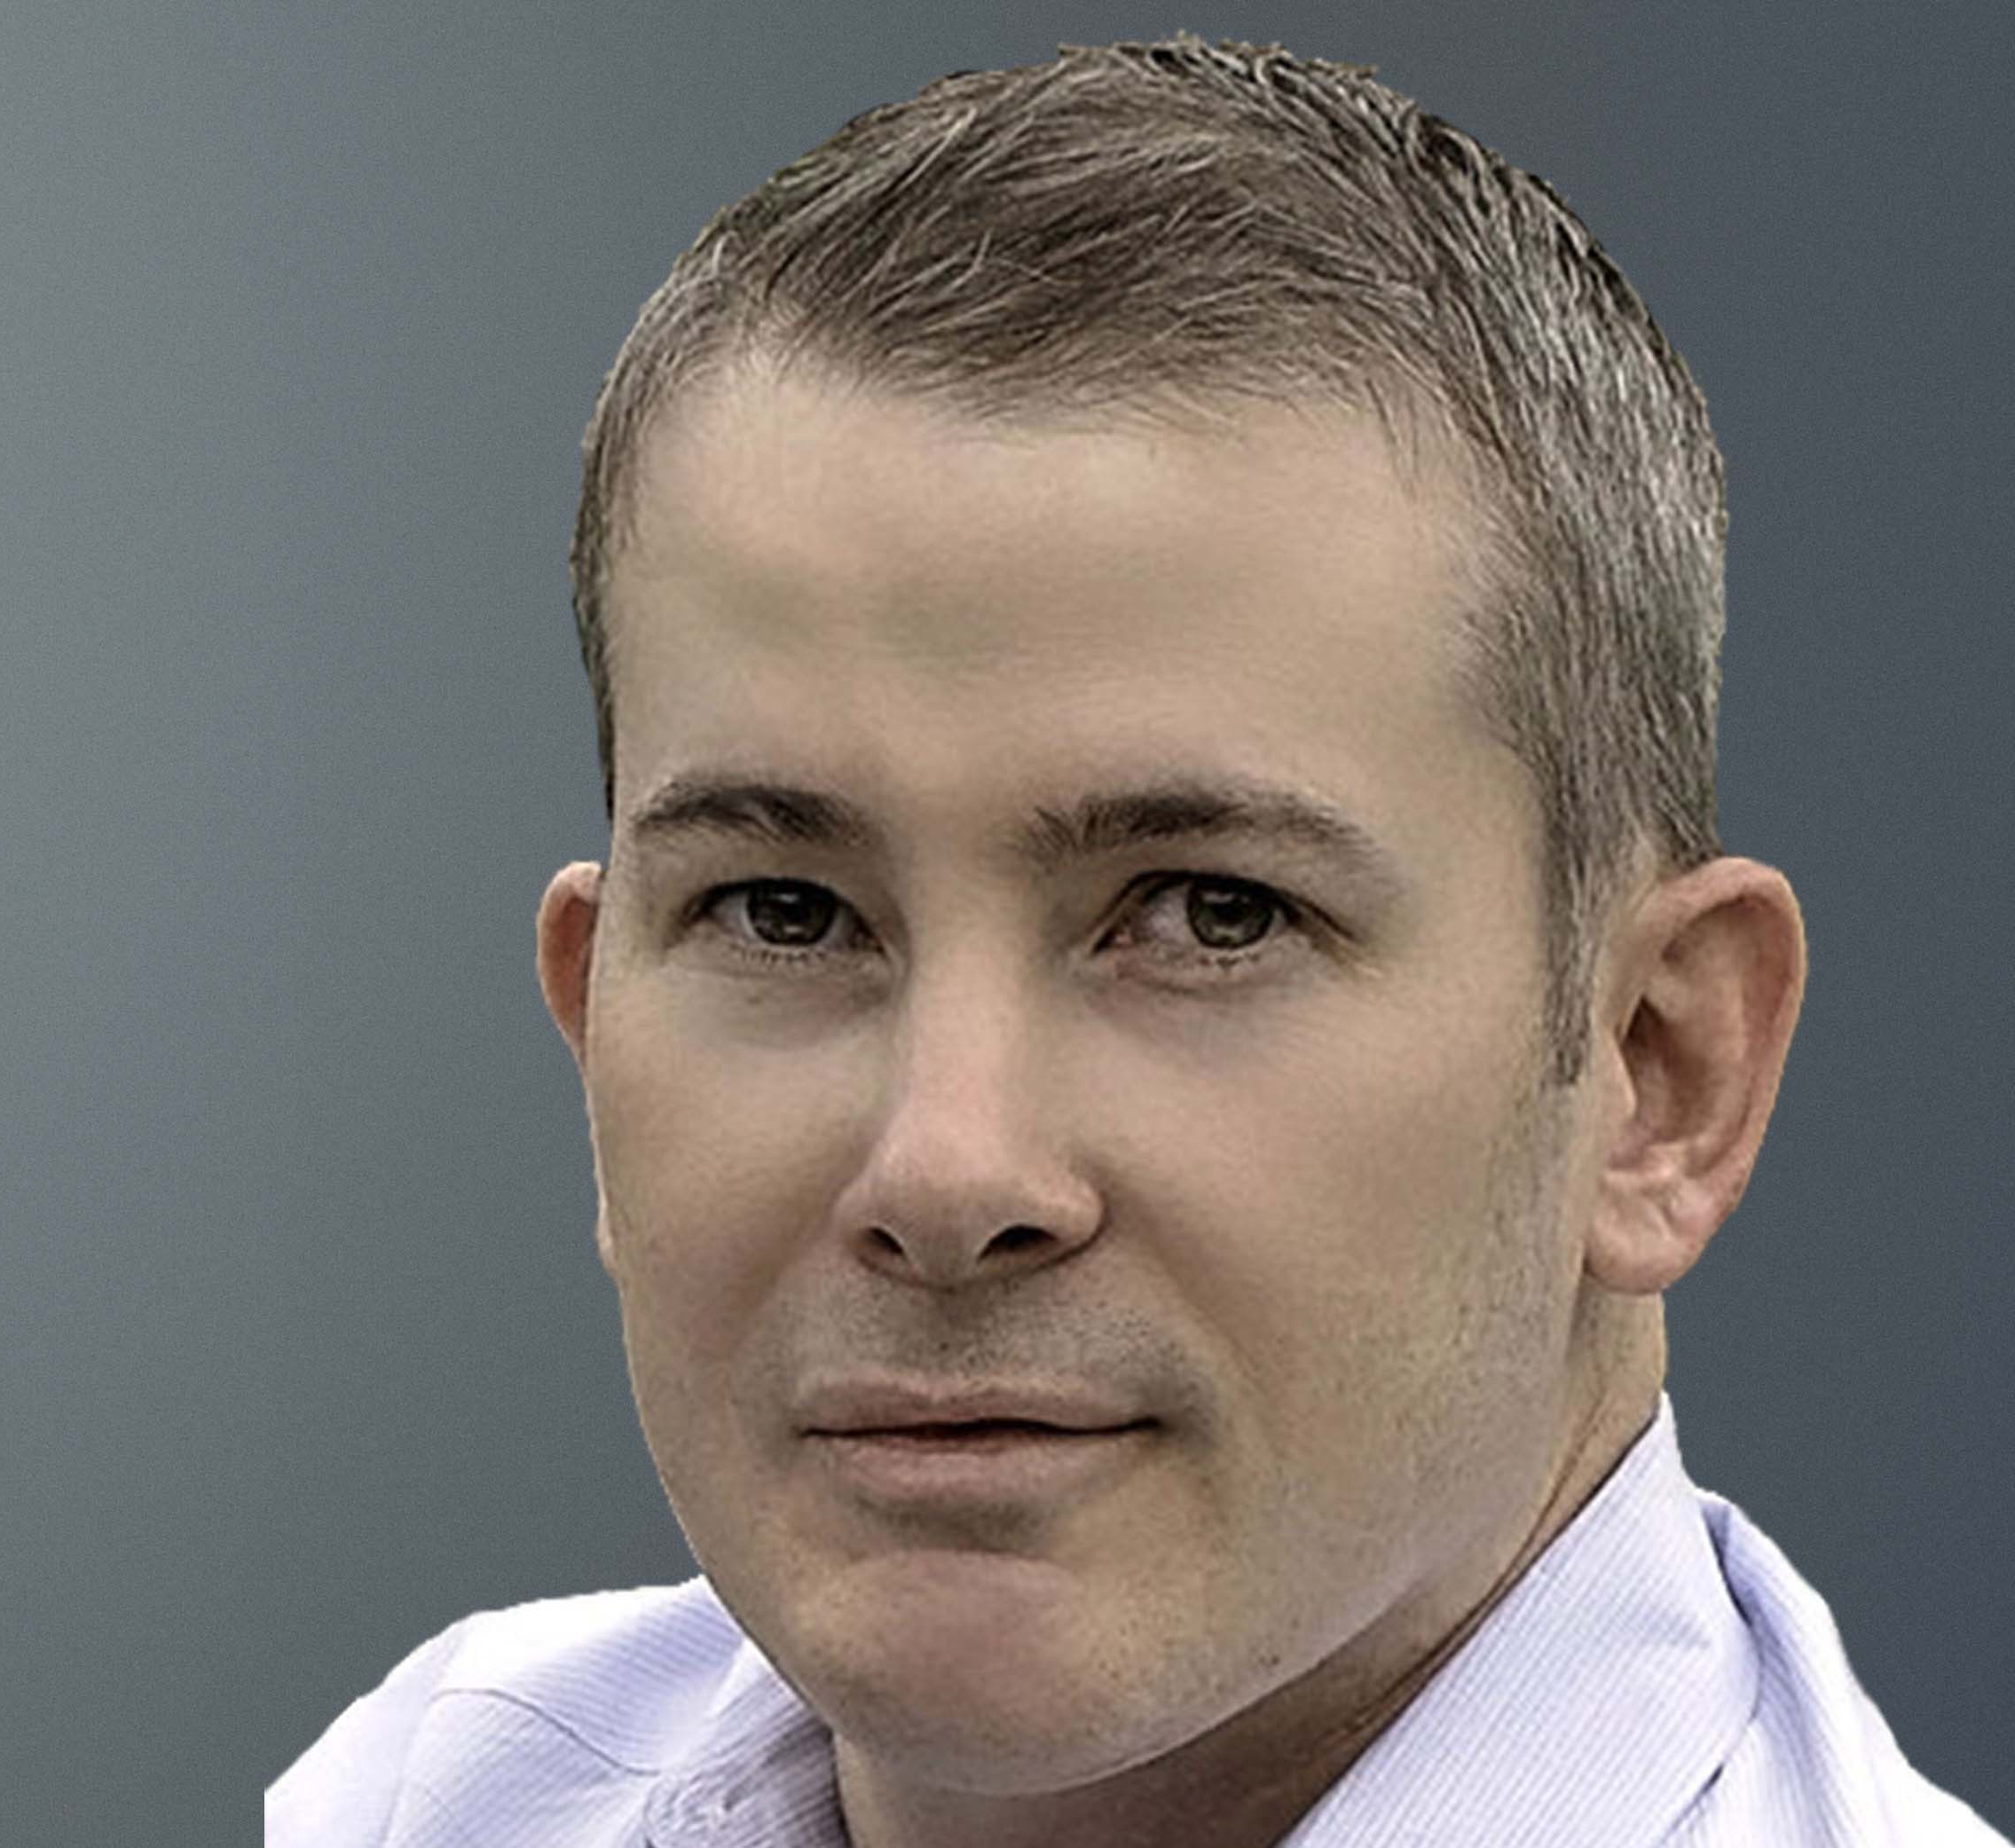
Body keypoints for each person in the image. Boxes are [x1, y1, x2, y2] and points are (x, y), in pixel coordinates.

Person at [271, 37, 2000, 1848]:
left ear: (1659, 1076)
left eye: (1207, 913)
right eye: (784, 911)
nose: (945, 1171)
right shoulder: (428, 1796)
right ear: (589, 1029)